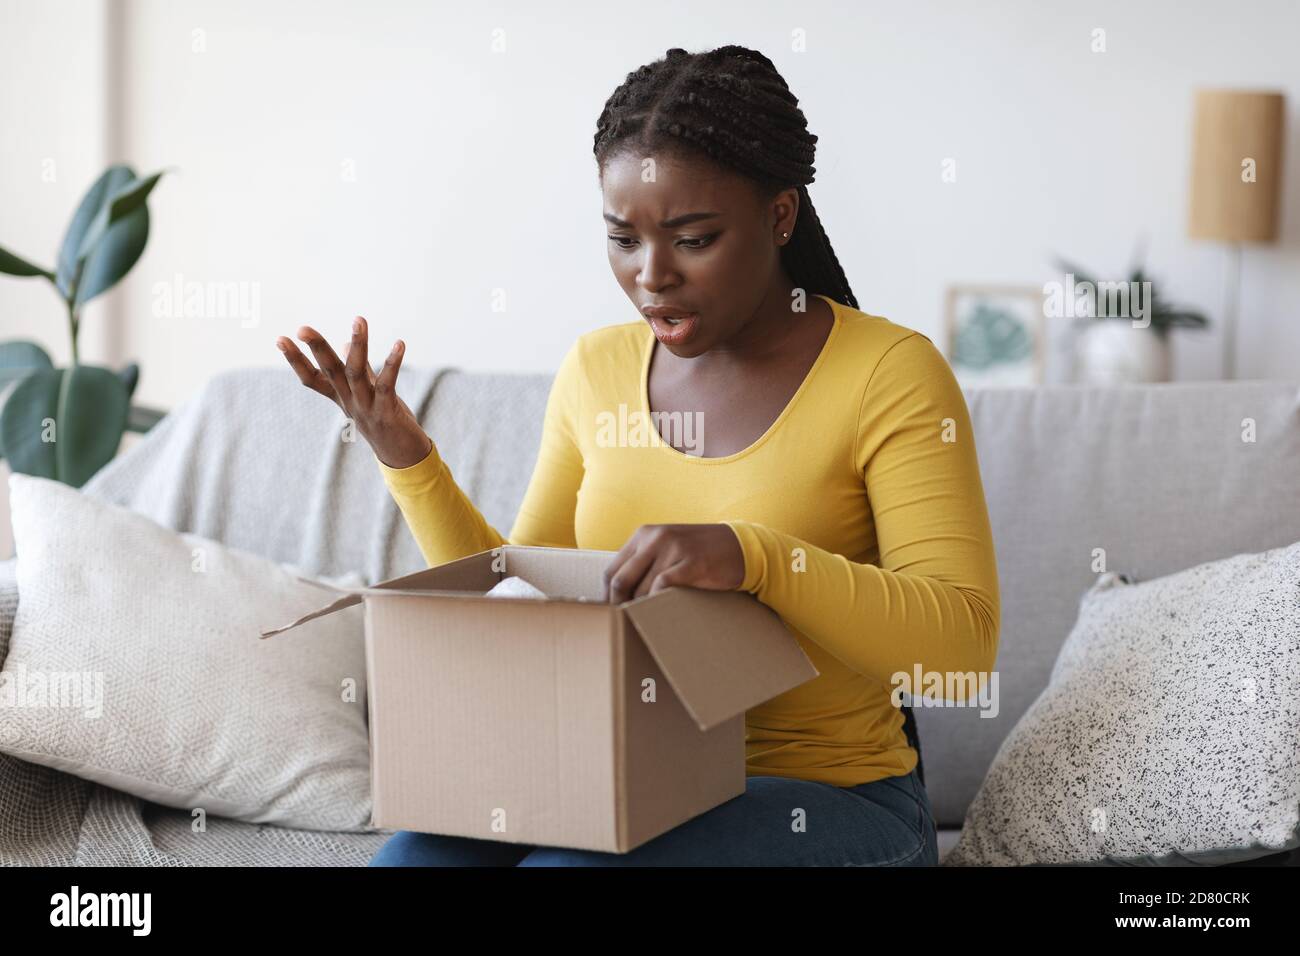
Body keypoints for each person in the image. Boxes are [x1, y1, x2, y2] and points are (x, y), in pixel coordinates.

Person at [276, 44, 999, 867]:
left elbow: (962, 653)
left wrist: (752, 557)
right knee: (414, 863)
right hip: (622, 770)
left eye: (694, 238)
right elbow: (524, 597)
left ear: (780, 215)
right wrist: (407, 458)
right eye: (623, 238)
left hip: (830, 798)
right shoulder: (596, 370)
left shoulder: (889, 374)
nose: (651, 276)